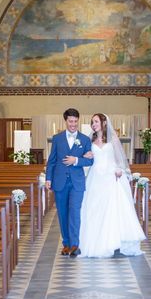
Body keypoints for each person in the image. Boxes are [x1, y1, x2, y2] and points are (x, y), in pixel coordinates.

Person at [79, 113, 146, 257]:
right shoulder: (89, 140)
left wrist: (119, 169)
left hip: (110, 176)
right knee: (93, 208)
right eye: (92, 122)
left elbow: (119, 159)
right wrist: (85, 156)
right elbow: (86, 156)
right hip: (95, 177)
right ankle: (94, 241)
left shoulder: (113, 140)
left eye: (96, 121)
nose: (94, 124)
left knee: (111, 208)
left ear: (103, 123)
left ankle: (111, 240)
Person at [45, 108, 94, 257]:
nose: (73, 124)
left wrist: (76, 160)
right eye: (70, 121)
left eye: (75, 121)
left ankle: (75, 244)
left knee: (74, 213)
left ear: (78, 121)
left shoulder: (85, 139)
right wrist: (48, 178)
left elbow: (90, 160)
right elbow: (52, 161)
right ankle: (66, 243)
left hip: (77, 183)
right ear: (65, 121)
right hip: (59, 182)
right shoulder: (57, 138)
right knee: (63, 213)